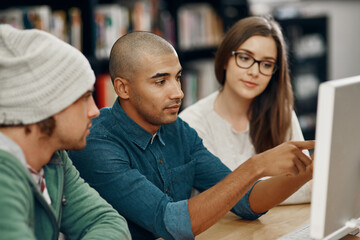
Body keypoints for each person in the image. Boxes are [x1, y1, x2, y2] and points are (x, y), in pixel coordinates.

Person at [68, 30, 314, 240]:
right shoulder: (97, 142)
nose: (178, 93)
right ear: (123, 88)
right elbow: (170, 222)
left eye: (177, 78)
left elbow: (247, 203)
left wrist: (312, 169)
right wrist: (255, 167)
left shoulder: (176, 128)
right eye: (160, 82)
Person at [0, 25, 131, 239]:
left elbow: (108, 221)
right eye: (85, 97)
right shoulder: (3, 178)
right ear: (46, 104)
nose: (95, 111)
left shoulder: (53, 157)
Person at [180, 16, 311, 205]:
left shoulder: (281, 113)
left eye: (266, 64)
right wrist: (289, 185)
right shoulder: (191, 123)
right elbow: (226, 200)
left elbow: (306, 183)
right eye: (245, 58)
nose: (254, 71)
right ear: (225, 59)